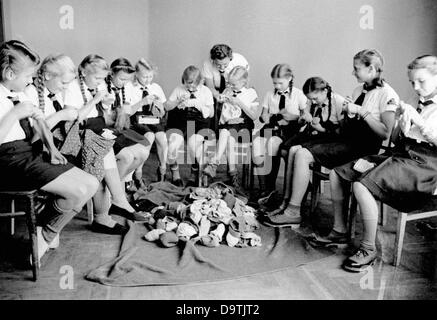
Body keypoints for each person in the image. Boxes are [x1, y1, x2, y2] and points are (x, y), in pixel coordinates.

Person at [320, 55, 437, 272]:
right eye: (412, 82)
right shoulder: (413, 100)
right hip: (402, 154)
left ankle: (368, 248)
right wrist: (400, 126)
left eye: (421, 81)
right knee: (339, 173)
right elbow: (392, 140)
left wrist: (419, 122)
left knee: (361, 185)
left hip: (427, 166)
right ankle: (340, 230)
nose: (416, 87)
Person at [264, 49, 399, 227]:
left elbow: (385, 134)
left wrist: (362, 112)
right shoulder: (359, 90)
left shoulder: (387, 94)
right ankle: (287, 204)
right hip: (346, 140)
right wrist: (346, 114)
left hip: (364, 147)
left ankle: (293, 212)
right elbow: (345, 127)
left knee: (302, 154)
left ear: (371, 69)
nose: (353, 72)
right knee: (295, 149)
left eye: (356, 68)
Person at [0, 40, 99, 263]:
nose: (30, 81)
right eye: (27, 76)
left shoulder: (21, 94)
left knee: (91, 184)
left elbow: (40, 125)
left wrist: (53, 149)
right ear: (9, 73)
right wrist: (14, 115)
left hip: (28, 153)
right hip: (7, 160)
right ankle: (43, 238)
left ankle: (44, 230)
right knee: (76, 191)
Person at [63, 54, 150, 233]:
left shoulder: (95, 87)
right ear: (83, 72)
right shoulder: (71, 87)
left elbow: (105, 119)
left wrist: (107, 108)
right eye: (97, 78)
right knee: (114, 154)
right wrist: (95, 101)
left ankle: (114, 201)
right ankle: (115, 202)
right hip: (79, 133)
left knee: (136, 150)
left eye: (103, 78)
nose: (100, 82)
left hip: (98, 129)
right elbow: (74, 120)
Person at [268, 76, 345, 214]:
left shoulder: (338, 102)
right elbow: (305, 120)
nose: (313, 101)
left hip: (331, 140)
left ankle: (295, 199)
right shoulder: (312, 102)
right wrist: (304, 119)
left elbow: (341, 133)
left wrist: (319, 127)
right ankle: (287, 198)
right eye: (311, 99)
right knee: (289, 149)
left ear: (325, 91)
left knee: (296, 152)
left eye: (315, 98)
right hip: (314, 135)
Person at [252, 64, 307, 202]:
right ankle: (264, 187)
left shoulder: (298, 94)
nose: (277, 86)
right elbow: (263, 116)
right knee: (257, 144)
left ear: (290, 79)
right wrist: (265, 117)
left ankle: (271, 186)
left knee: (273, 144)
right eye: (274, 83)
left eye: (280, 83)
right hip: (272, 127)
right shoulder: (270, 95)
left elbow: (305, 118)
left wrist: (293, 116)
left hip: (289, 131)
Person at [203, 66, 259, 195]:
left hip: (244, 127)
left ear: (243, 81)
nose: (230, 86)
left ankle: (214, 164)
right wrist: (222, 101)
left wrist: (239, 103)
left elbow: (254, 116)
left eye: (233, 84)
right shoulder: (228, 90)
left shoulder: (251, 93)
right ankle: (232, 176)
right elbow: (224, 114)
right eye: (229, 83)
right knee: (226, 133)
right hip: (229, 126)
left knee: (228, 133)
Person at [104, 57, 151, 190]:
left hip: (122, 127)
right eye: (122, 79)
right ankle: (115, 188)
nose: (124, 83)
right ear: (111, 74)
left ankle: (122, 180)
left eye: (127, 80)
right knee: (128, 156)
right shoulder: (103, 88)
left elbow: (129, 112)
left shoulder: (126, 88)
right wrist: (116, 112)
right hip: (107, 129)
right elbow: (103, 119)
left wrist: (141, 103)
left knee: (144, 150)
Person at [165, 65, 214, 187]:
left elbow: (211, 113)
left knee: (193, 145)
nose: (190, 87)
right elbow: (167, 106)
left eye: (194, 85)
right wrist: (177, 102)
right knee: (172, 145)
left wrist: (198, 104)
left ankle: (194, 172)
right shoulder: (179, 89)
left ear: (201, 82)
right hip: (180, 121)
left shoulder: (205, 91)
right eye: (188, 84)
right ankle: (175, 173)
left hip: (199, 123)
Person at [128, 58, 167, 184]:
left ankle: (162, 169)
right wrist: (143, 102)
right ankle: (138, 172)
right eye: (145, 77)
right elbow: (129, 111)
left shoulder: (155, 87)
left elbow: (164, 111)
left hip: (153, 118)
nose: (148, 80)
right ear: (136, 74)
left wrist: (158, 105)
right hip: (137, 119)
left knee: (162, 138)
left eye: (150, 76)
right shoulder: (130, 87)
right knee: (149, 138)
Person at [202, 44, 249, 133]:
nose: (222, 68)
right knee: (211, 105)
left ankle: (236, 131)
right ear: (213, 60)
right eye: (218, 65)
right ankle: (214, 133)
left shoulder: (240, 60)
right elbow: (210, 86)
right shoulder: (207, 64)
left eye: (225, 64)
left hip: (233, 87)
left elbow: (244, 82)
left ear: (230, 58)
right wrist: (217, 95)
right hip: (216, 88)